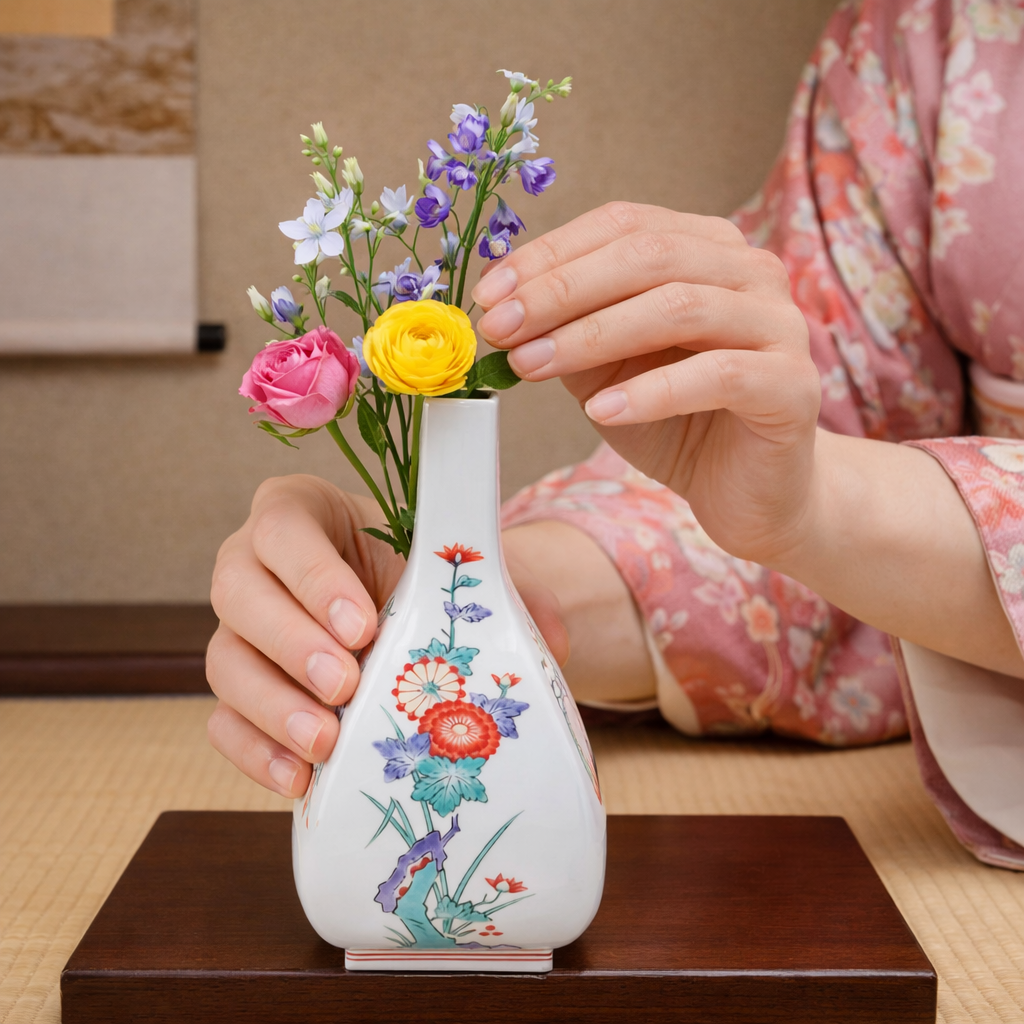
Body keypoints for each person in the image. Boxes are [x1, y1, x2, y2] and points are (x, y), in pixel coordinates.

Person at [207, 0, 1024, 869]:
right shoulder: (932, 28)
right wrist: (461, 594)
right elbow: (803, 474)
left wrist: (822, 499)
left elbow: (851, 501)